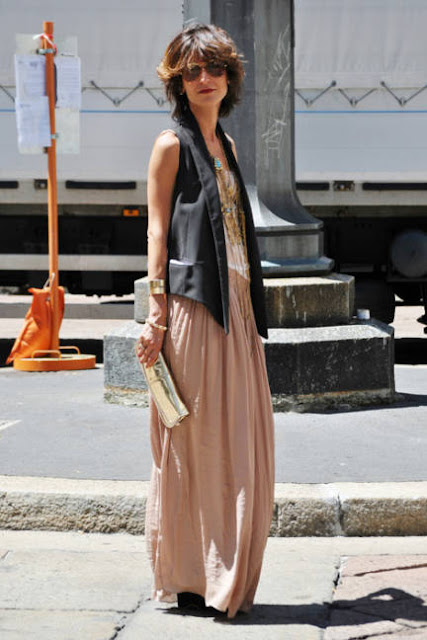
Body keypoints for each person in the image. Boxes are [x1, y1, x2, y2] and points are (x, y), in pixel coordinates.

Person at [136, 23, 274, 619]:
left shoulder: (228, 145)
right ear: (178, 81)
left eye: (214, 67)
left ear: (229, 76)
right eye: (192, 71)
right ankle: (193, 578)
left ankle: (223, 573)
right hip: (193, 308)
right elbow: (157, 229)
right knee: (194, 442)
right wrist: (156, 312)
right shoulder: (171, 144)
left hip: (237, 307)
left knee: (239, 443)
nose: (204, 79)